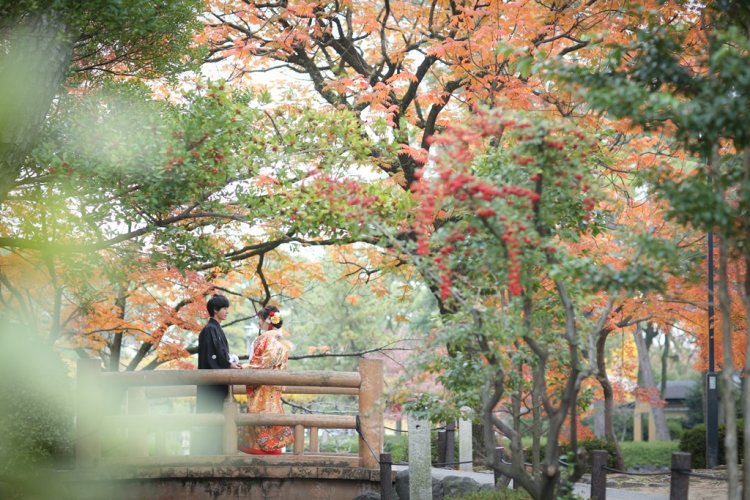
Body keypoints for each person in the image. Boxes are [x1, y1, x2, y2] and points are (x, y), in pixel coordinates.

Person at [239, 305, 294, 454]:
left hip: (262, 386)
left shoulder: (264, 339)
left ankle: (260, 450)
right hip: (275, 385)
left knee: (259, 415)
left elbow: (261, 363)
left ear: (267, 321)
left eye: (260, 319)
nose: (258, 322)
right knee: (273, 415)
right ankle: (274, 449)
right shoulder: (282, 341)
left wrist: (243, 367)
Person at [193, 293, 242, 455]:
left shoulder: (215, 329)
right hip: (211, 384)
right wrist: (228, 364)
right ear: (215, 310)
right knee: (212, 416)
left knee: (219, 417)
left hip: (217, 383)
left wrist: (229, 363)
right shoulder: (209, 330)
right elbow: (211, 357)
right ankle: (209, 453)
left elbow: (220, 354)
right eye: (224, 308)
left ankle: (217, 450)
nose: (227, 311)